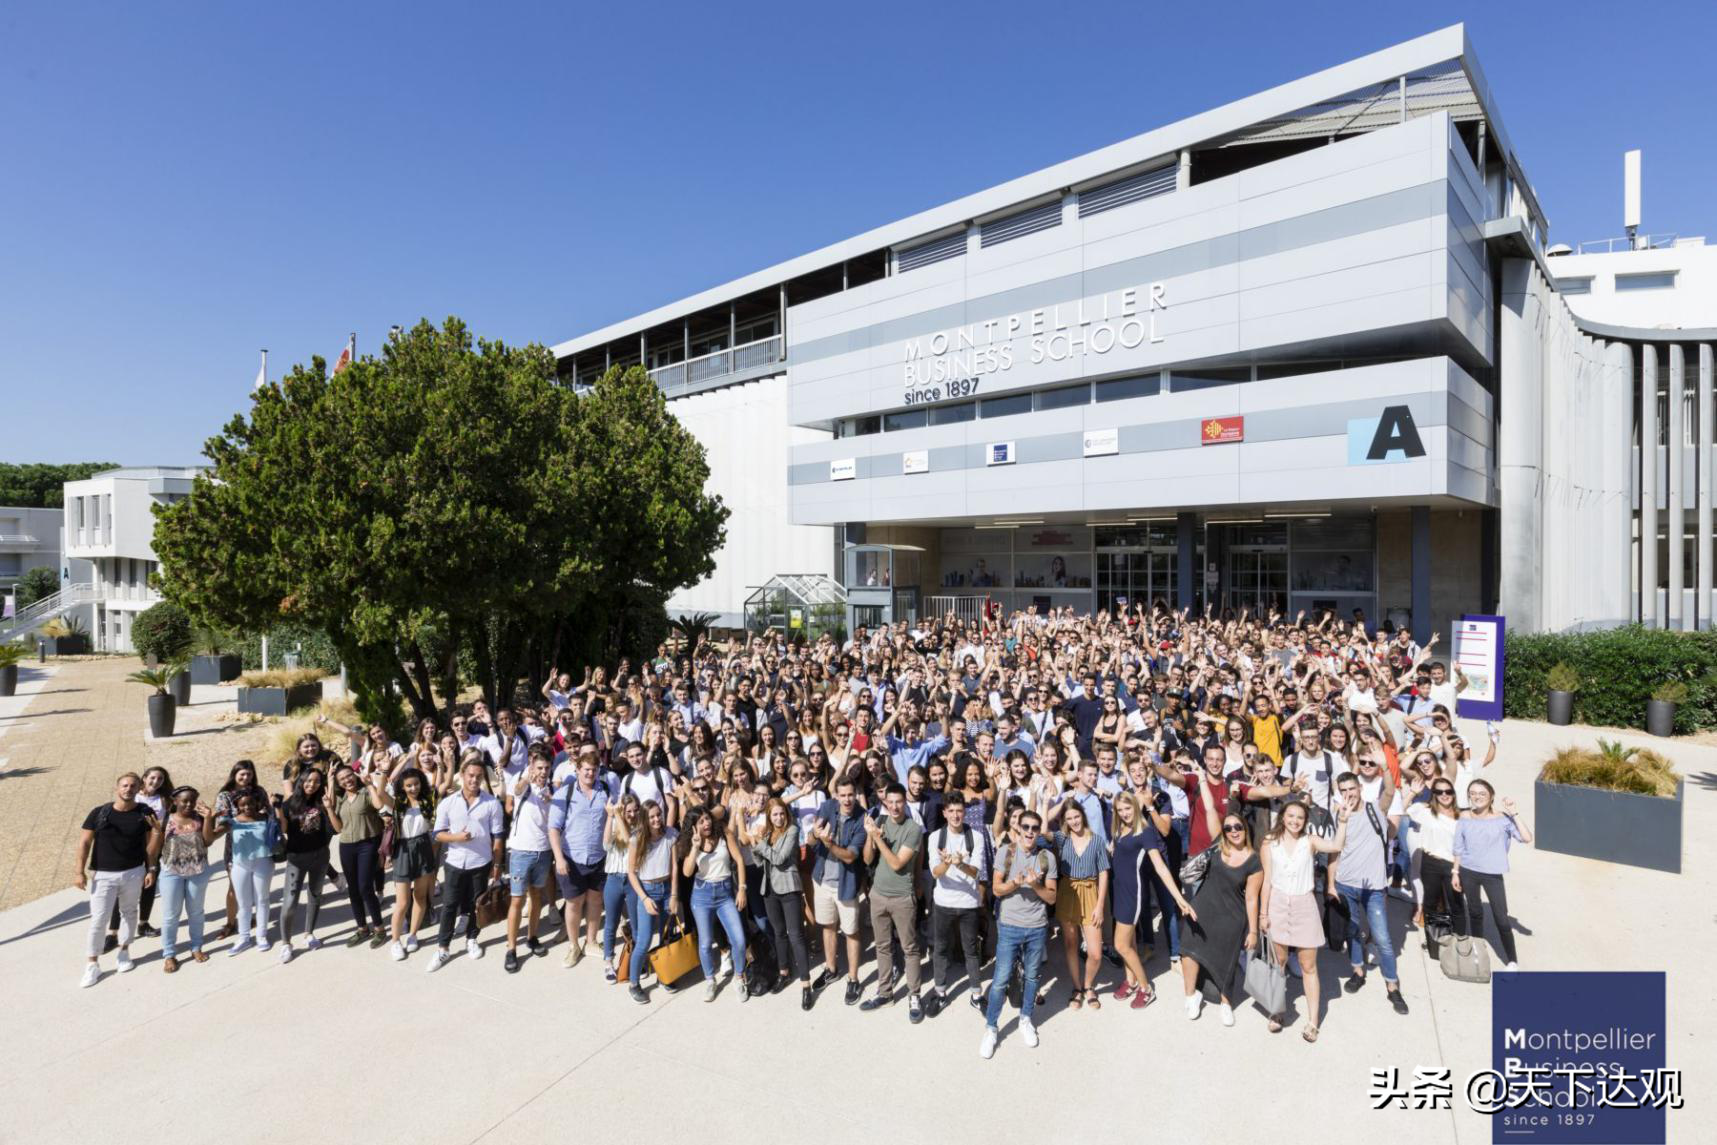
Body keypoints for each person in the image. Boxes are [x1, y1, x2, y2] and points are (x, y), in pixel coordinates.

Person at [1259, 799, 1348, 1040]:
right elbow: (1267, 880)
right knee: (1278, 964)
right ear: (1283, 817)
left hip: (1304, 905)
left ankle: (1312, 1021)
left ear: (1305, 820)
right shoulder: (1270, 843)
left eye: (1300, 817)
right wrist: (1263, 914)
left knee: (1308, 967)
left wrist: (1342, 821)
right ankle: (1277, 1012)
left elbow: (1336, 845)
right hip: (1277, 905)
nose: (1295, 821)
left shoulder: (1310, 842)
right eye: (1291, 816)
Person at [1326, 772, 1410, 1015]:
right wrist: (1331, 884)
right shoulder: (1338, 815)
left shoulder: (1376, 809)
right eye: (1343, 790)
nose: (1348, 794)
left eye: (1351, 788)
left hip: (1373, 888)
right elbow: (1334, 852)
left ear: (1360, 787)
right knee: (1352, 932)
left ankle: (1392, 985)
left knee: (1382, 938)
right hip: (1345, 884)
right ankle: (1357, 971)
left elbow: (1390, 792)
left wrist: (1385, 767)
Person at [979, 809, 1057, 1060]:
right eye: (1026, 827)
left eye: (1035, 828)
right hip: (1010, 924)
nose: (1030, 832)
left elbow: (1052, 897)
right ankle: (991, 1028)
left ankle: (1025, 1019)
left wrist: (1035, 884)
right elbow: (996, 889)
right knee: (1001, 979)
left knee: (1032, 978)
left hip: (1036, 926)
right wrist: (1016, 883)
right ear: (1019, 829)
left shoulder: (1047, 857)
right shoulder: (1006, 852)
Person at [75, 773, 160, 987]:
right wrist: (79, 871)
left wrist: (151, 868)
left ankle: (124, 952)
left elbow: (150, 847)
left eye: (133, 786)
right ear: (117, 788)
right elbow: (85, 843)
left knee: (129, 912)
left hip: (134, 872)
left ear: (139, 788)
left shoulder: (144, 813)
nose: (128, 789)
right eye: (124, 785)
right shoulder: (99, 813)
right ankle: (92, 964)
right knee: (98, 919)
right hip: (104, 875)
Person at [1107, 790, 1190, 1009]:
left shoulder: (1144, 832)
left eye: (1128, 808)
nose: (1125, 813)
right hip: (1119, 889)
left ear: (1136, 807)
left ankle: (1146, 989)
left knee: (1121, 945)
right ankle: (1131, 981)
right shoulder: (1118, 829)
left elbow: (1161, 867)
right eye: (1120, 809)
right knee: (1130, 940)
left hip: (1133, 894)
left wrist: (1178, 898)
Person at [1178, 811, 1258, 1027]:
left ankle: (1226, 1003)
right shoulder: (1216, 848)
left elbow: (1251, 898)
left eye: (1238, 827)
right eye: (1229, 828)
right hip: (1203, 908)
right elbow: (1210, 811)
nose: (1234, 831)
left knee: (1228, 960)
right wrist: (1202, 779)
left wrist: (1253, 931)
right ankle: (1190, 996)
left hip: (1232, 916)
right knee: (1189, 949)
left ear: (1245, 829)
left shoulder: (1254, 860)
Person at [426, 757, 505, 972]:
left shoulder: (492, 803)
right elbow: (438, 835)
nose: (474, 779)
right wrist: (457, 837)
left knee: (475, 905)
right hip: (454, 864)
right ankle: (443, 948)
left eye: (479, 776)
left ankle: (472, 938)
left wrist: (497, 866)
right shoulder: (448, 803)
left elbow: (498, 837)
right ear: (462, 775)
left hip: (481, 863)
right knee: (450, 906)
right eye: (470, 775)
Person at [860, 782, 925, 1021]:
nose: (895, 806)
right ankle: (885, 992)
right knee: (882, 946)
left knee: (909, 948)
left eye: (899, 801)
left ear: (905, 802)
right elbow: (868, 860)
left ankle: (914, 994)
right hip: (878, 894)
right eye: (891, 802)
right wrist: (871, 836)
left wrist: (878, 840)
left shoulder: (913, 829)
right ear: (885, 803)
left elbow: (898, 863)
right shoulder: (880, 824)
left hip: (902, 896)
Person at [1452, 779, 1532, 971]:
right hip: (1468, 871)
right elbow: (1458, 848)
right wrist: (1455, 872)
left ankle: (1512, 961)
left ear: (1491, 796)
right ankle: (1478, 951)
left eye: (1482, 793)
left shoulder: (1503, 819)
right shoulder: (1464, 816)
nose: (1477, 797)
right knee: (1475, 912)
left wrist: (1514, 813)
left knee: (1501, 917)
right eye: (1472, 793)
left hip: (1492, 874)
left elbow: (1527, 838)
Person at [549, 750, 612, 969]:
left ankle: (592, 941)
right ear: (577, 770)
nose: (590, 773)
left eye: (594, 770)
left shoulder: (605, 792)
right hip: (571, 858)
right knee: (574, 903)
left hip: (598, 857)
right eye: (586, 769)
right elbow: (554, 828)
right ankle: (574, 945)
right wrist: (559, 858)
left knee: (595, 900)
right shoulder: (564, 794)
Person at [926, 794, 987, 1017]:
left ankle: (976, 994)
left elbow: (976, 873)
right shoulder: (935, 837)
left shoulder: (976, 837)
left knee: (971, 950)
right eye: (951, 811)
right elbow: (935, 872)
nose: (955, 815)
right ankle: (940, 993)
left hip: (969, 903)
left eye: (959, 810)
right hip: (943, 902)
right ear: (944, 813)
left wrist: (960, 863)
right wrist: (946, 862)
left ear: (964, 812)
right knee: (940, 949)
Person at [808, 777, 867, 1006]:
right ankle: (831, 969)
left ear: (856, 794)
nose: (846, 799)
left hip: (846, 884)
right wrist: (815, 834)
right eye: (842, 795)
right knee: (828, 926)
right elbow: (811, 840)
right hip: (822, 879)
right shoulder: (828, 808)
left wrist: (828, 843)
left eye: (850, 795)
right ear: (837, 796)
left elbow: (851, 856)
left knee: (851, 931)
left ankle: (853, 978)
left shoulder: (862, 818)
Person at [680, 809, 750, 1003]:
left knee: (739, 939)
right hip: (701, 896)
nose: (706, 824)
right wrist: (695, 848)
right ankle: (710, 980)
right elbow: (687, 872)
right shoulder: (691, 842)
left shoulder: (723, 834)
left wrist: (742, 888)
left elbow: (739, 859)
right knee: (705, 943)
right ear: (694, 826)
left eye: (707, 819)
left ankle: (739, 977)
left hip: (725, 893)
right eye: (701, 821)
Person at [753, 797, 814, 1009]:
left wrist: (760, 845)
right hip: (769, 889)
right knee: (778, 933)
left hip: (789, 888)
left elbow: (779, 859)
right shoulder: (768, 834)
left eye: (781, 813)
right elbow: (761, 862)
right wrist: (756, 846)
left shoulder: (793, 831)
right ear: (769, 817)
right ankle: (784, 972)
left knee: (796, 935)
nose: (779, 818)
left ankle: (806, 985)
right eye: (774, 814)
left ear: (786, 814)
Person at [275, 766, 336, 963]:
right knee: (290, 901)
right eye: (308, 781)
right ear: (301, 781)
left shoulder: (322, 802)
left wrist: (329, 802)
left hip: (320, 856)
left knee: (315, 895)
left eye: (317, 781)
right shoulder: (290, 803)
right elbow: (284, 829)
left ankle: (309, 933)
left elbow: (335, 828)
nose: (312, 785)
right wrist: (277, 810)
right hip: (296, 858)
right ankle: (286, 943)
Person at [375, 765, 437, 960]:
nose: (413, 788)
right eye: (409, 785)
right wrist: (384, 772)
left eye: (416, 784)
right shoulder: (398, 804)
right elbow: (380, 793)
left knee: (420, 896)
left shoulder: (428, 801)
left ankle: (412, 934)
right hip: (403, 849)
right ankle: (395, 941)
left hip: (423, 847)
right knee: (402, 902)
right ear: (403, 787)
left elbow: (441, 786)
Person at [203, 788, 274, 957]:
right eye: (243, 804)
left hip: (263, 862)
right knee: (243, 903)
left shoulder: (266, 818)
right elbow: (209, 838)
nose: (247, 807)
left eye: (250, 803)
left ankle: (261, 936)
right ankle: (244, 938)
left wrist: (274, 807)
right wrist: (208, 818)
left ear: (257, 803)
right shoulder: (231, 822)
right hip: (240, 865)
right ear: (237, 806)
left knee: (262, 900)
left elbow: (282, 828)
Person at [502, 751, 555, 973]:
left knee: (536, 896)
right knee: (517, 900)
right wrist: (526, 778)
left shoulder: (550, 789)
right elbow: (516, 791)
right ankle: (511, 949)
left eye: (546, 768)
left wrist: (551, 799)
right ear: (532, 766)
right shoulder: (522, 781)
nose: (542, 772)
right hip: (521, 851)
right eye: (539, 768)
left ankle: (532, 937)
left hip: (543, 851)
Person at [1055, 801, 1110, 1010]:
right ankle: (1077, 988)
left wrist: (1100, 904)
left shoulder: (1096, 840)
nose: (1074, 822)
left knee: (1095, 951)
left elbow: (1104, 872)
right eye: (1069, 818)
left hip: (1090, 892)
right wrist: (1050, 800)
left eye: (1076, 816)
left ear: (1082, 815)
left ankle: (1088, 986)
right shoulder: (1062, 839)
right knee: (1071, 943)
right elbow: (1042, 831)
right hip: (1067, 891)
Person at [326, 765, 388, 948]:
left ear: (355, 775)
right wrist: (329, 808)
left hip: (367, 844)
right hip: (346, 846)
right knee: (353, 889)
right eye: (342, 779)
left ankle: (379, 928)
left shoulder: (366, 793)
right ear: (339, 783)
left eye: (349, 776)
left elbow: (379, 806)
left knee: (365, 887)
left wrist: (369, 785)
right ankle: (362, 928)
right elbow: (338, 828)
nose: (347, 780)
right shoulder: (340, 799)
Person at [625, 799, 680, 1003]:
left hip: (666, 889)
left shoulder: (670, 835)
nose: (657, 819)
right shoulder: (637, 839)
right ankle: (634, 983)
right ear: (645, 820)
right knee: (644, 940)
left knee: (666, 938)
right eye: (652, 817)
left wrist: (674, 895)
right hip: (647, 889)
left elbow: (674, 867)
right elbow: (631, 872)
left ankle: (664, 975)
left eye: (659, 814)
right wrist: (645, 898)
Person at [156, 786, 213, 972]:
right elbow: (154, 849)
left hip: (198, 871)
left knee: (196, 912)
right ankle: (169, 954)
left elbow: (208, 841)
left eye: (192, 801)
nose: (188, 804)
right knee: (171, 915)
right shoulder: (165, 820)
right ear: (175, 801)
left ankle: (196, 947)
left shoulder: (200, 818)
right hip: (171, 872)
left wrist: (208, 818)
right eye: (184, 801)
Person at [212, 761, 266, 941]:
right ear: (234, 774)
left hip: (259, 845)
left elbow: (267, 812)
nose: (246, 778)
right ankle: (230, 922)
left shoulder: (259, 792)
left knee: (256, 885)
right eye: (242, 774)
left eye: (249, 774)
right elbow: (223, 821)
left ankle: (252, 918)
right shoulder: (225, 795)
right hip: (235, 846)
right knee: (235, 886)